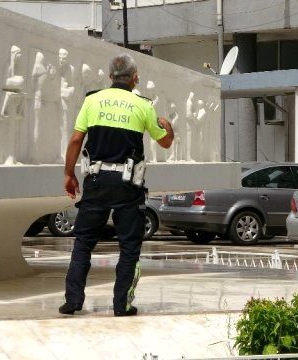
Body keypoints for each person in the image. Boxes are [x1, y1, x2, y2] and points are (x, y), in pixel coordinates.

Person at [60, 54, 174, 317]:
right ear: (135, 78)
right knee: (129, 246)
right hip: (127, 185)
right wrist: (168, 127)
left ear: (110, 77)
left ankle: (73, 302)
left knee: (84, 242)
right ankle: (121, 305)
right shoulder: (143, 105)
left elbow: (77, 139)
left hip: (96, 181)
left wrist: (69, 174)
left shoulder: (92, 100)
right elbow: (165, 142)